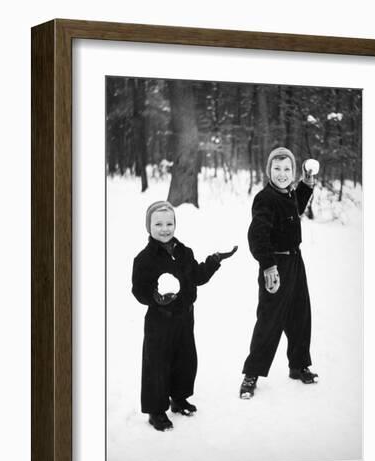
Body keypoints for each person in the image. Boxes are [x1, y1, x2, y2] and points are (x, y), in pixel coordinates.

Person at [132, 201, 237, 431]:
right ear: (148, 226)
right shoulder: (144, 259)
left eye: (169, 223)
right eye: (158, 223)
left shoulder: (184, 252)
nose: (165, 228)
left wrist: (213, 261)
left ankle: (179, 399)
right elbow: (138, 291)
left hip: (185, 318)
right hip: (160, 320)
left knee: (185, 361)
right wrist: (156, 297)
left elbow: (197, 276)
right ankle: (156, 410)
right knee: (157, 365)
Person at [240, 147, 318, 399]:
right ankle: (251, 373)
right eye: (277, 168)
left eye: (287, 169)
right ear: (268, 171)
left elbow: (297, 207)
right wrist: (268, 265)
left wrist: (307, 183)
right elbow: (257, 234)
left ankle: (299, 365)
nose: (282, 174)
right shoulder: (265, 198)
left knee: (300, 315)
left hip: (296, 262)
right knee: (269, 320)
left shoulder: (288, 194)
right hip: (276, 266)